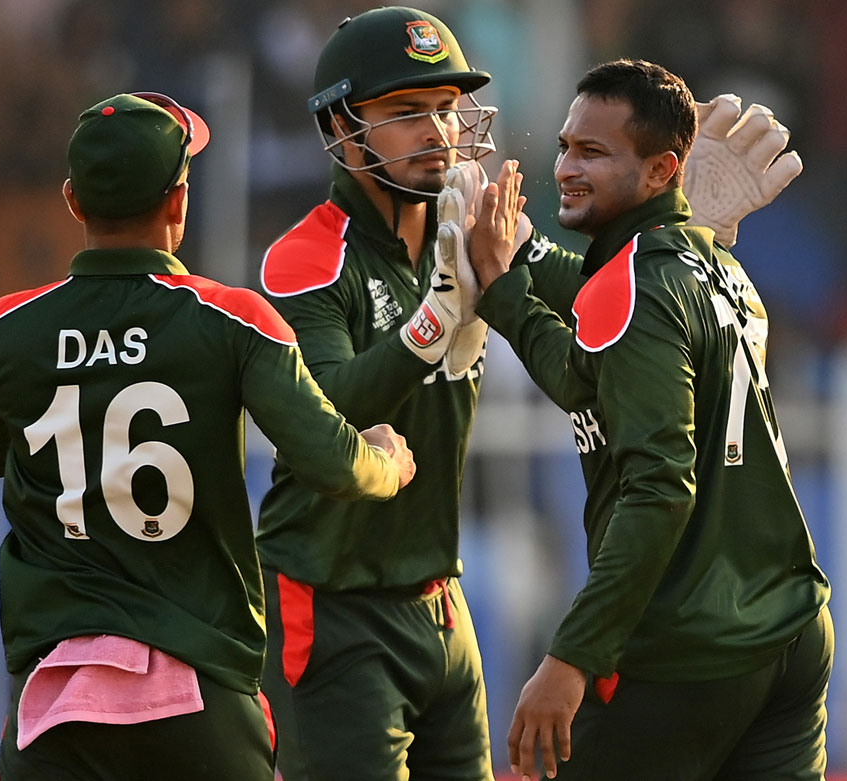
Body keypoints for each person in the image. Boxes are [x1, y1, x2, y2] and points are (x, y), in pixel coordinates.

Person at [256, 6, 805, 779]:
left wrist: (680, 233)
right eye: (407, 113)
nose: (439, 132)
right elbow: (330, 412)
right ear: (343, 128)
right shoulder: (306, 258)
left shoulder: (471, 219)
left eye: (448, 110)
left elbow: (618, 313)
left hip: (442, 604)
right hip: (333, 601)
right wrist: (436, 318)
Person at [0, 91, 416, 779]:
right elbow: (332, 462)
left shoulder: (3, 329)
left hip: (56, 701)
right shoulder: (232, 319)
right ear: (179, 200)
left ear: (73, 201)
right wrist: (387, 459)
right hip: (199, 690)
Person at [462, 58, 832, 780]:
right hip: (790, 628)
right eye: (566, 145)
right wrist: (513, 265)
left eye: (592, 152)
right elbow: (595, 359)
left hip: (689, 641)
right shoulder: (719, 267)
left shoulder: (639, 290)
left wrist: (571, 658)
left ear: (664, 171)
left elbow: (659, 489)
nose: (567, 165)